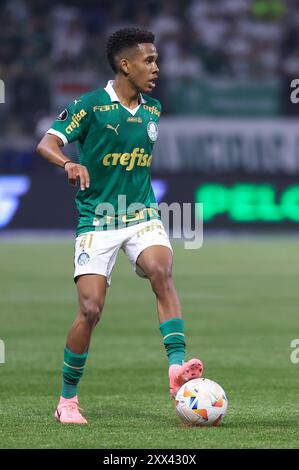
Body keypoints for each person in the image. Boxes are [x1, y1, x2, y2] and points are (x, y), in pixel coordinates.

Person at [36, 27, 203, 424]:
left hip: (142, 214)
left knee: (160, 269)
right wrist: (69, 163)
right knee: (90, 310)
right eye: (149, 60)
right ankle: (68, 401)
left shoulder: (153, 109)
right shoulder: (90, 106)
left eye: (157, 60)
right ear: (125, 65)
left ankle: (176, 367)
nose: (156, 68)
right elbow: (47, 143)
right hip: (96, 219)